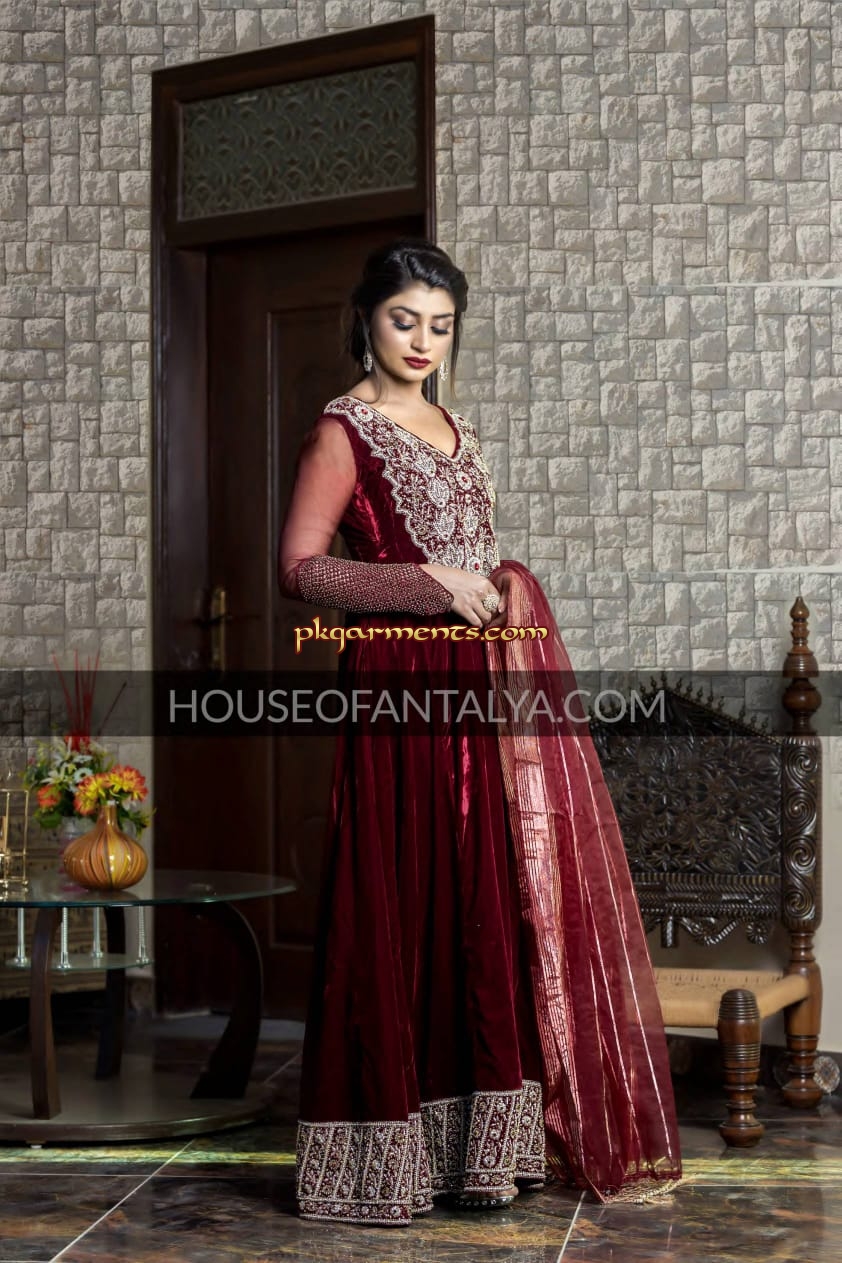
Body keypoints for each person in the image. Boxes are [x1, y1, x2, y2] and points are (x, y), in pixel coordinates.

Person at [277, 238, 682, 1226]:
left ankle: (479, 1155)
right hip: (399, 690)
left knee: (479, 895)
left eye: (440, 325)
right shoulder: (343, 429)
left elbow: (475, 554)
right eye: (402, 320)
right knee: (403, 887)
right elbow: (300, 568)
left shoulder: (460, 429)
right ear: (366, 320)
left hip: (479, 688)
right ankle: (386, 1156)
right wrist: (427, 584)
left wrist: (495, 584)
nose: (421, 341)